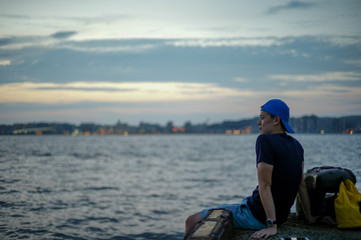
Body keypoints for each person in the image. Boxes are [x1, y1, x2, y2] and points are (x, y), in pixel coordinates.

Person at [185, 99, 317, 239]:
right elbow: (300, 184)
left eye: (262, 118)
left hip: (257, 215)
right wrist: (310, 218)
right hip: (279, 216)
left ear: (276, 120)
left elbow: (265, 185)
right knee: (240, 203)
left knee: (192, 220)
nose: (258, 123)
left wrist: (271, 225)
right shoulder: (297, 145)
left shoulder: (264, 140)